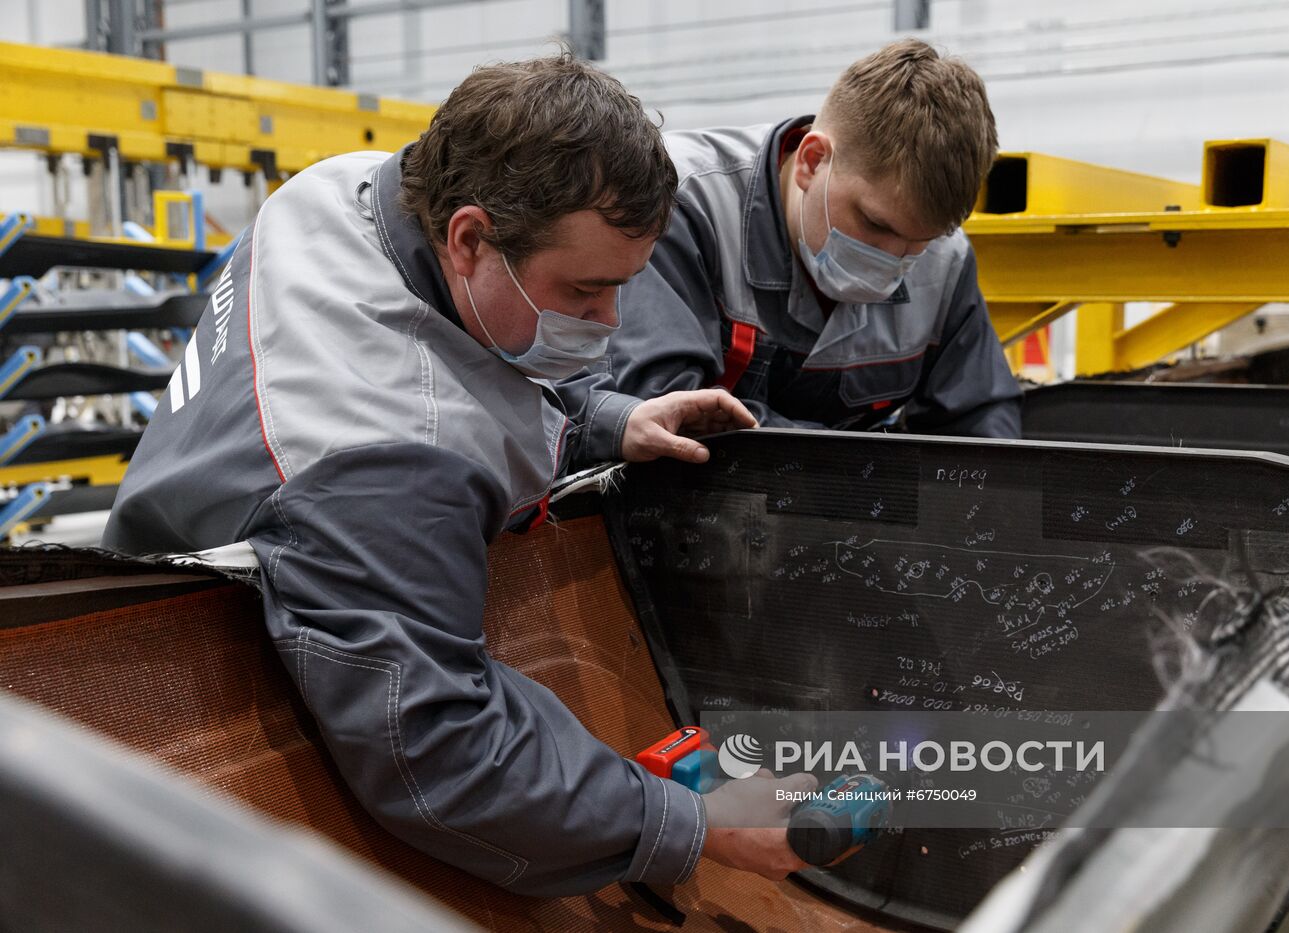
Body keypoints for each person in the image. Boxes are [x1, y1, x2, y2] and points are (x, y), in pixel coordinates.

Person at [102, 53, 815, 895]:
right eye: (585, 291)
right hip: (175, 720)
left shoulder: (342, 192)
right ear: (470, 237)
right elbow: (445, 756)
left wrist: (605, 419)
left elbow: (460, 340)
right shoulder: (382, 459)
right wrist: (694, 822)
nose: (610, 321)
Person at [559, 38, 1022, 467]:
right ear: (813, 161)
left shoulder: (948, 261)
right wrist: (864, 470)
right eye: (876, 224)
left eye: (919, 243)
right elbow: (668, 409)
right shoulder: (675, 201)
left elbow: (980, 428)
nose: (892, 261)